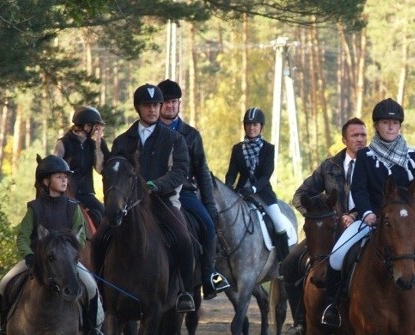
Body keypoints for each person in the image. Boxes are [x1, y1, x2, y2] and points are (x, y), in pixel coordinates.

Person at [321, 98, 415, 328]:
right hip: (371, 219)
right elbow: (359, 188)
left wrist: (413, 218)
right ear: (376, 126)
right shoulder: (365, 155)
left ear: (400, 126)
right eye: (386, 122)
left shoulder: (413, 155)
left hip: (404, 224)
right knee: (336, 256)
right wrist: (366, 213)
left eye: (395, 123)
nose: (391, 127)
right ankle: (333, 307)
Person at [93, 83, 196, 313]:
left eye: (156, 105)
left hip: (162, 202)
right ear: (138, 108)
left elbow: (180, 171)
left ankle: (186, 292)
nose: (152, 110)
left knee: (183, 238)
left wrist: (156, 185)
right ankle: (99, 292)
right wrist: (98, 146)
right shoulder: (123, 140)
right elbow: (112, 169)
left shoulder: (174, 139)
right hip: (128, 206)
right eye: (147, 106)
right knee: (99, 239)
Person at [0, 155, 107, 335]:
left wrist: (69, 254)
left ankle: (92, 333)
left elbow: (79, 236)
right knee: (4, 283)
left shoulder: (73, 207)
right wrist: (28, 254)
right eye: (59, 177)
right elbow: (23, 237)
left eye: (65, 177)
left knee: (91, 287)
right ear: (46, 181)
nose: (64, 181)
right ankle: (4, 333)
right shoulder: (34, 208)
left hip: (66, 262)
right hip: (37, 261)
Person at [280, 117, 367, 335]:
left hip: (364, 227)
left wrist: (357, 215)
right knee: (289, 263)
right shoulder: (330, 167)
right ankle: (300, 324)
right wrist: (316, 215)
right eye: (355, 135)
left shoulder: (373, 164)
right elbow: (300, 195)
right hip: (328, 232)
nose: (360, 139)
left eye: (363, 135)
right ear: (344, 139)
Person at [157, 79, 230, 300]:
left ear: (179, 104)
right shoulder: (149, 133)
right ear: (159, 105)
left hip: (185, 193)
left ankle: (208, 275)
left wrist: (209, 205)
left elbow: (203, 173)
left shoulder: (192, 134)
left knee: (208, 225)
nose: (170, 106)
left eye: (174, 102)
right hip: (153, 192)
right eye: (166, 102)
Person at [225, 107, 291, 262]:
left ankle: (284, 263)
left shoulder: (268, 148)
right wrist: (228, 187)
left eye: (255, 125)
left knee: (279, 223)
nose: (251, 128)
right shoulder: (237, 148)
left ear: (261, 126)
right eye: (248, 124)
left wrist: (253, 188)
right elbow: (232, 173)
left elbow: (266, 175)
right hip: (241, 193)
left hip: (263, 193)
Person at [54, 106, 110, 226]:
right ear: (86, 126)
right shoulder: (63, 143)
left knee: (105, 215)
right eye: (94, 126)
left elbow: (100, 169)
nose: (96, 129)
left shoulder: (92, 144)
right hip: (66, 193)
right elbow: (55, 169)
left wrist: (98, 145)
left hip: (87, 193)